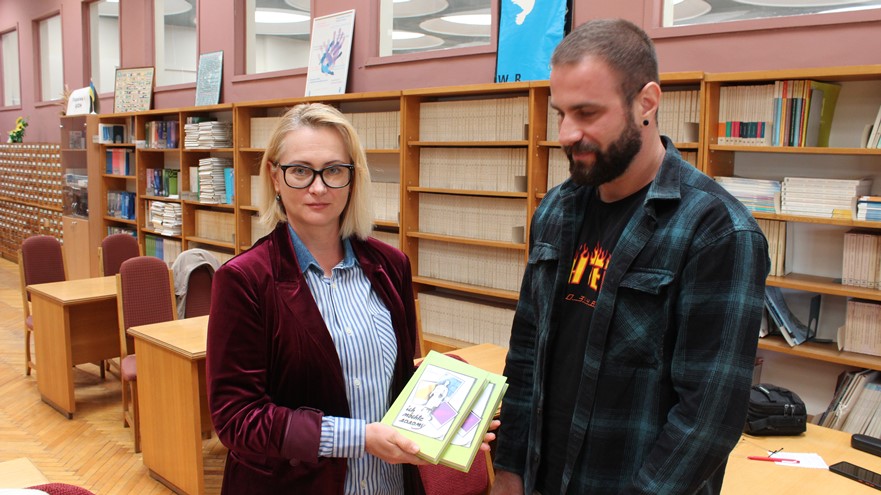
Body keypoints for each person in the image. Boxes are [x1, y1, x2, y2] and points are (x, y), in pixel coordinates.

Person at [491, 19, 770, 495]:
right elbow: (525, 356)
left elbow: (706, 419)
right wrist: (509, 470)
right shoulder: (556, 210)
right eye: (560, 113)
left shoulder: (716, 231)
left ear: (646, 103)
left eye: (586, 113)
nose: (566, 133)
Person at [207, 103, 428, 494]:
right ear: (275, 177)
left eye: (334, 170)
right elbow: (237, 419)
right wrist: (358, 438)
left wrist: (451, 425)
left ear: (352, 178)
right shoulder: (244, 280)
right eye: (300, 171)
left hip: (388, 485)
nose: (319, 187)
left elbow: (402, 381)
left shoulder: (391, 266)